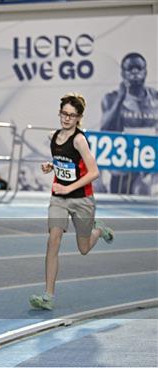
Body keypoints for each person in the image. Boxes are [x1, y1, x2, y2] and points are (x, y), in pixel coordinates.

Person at [29, 93, 114, 311]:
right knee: (53, 240)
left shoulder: (79, 139)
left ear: (79, 118)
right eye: (64, 114)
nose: (67, 119)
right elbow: (65, 163)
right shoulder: (53, 136)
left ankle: (98, 230)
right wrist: (51, 166)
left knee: (83, 248)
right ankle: (48, 295)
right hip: (59, 198)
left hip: (82, 199)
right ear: (59, 113)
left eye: (72, 115)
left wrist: (68, 187)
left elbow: (93, 172)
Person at [100, 52, 158, 194]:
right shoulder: (111, 98)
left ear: (145, 71)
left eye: (139, 68)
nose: (134, 72)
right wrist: (120, 98)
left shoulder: (155, 97)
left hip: (149, 160)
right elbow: (105, 128)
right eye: (130, 68)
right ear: (123, 73)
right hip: (123, 163)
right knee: (121, 207)